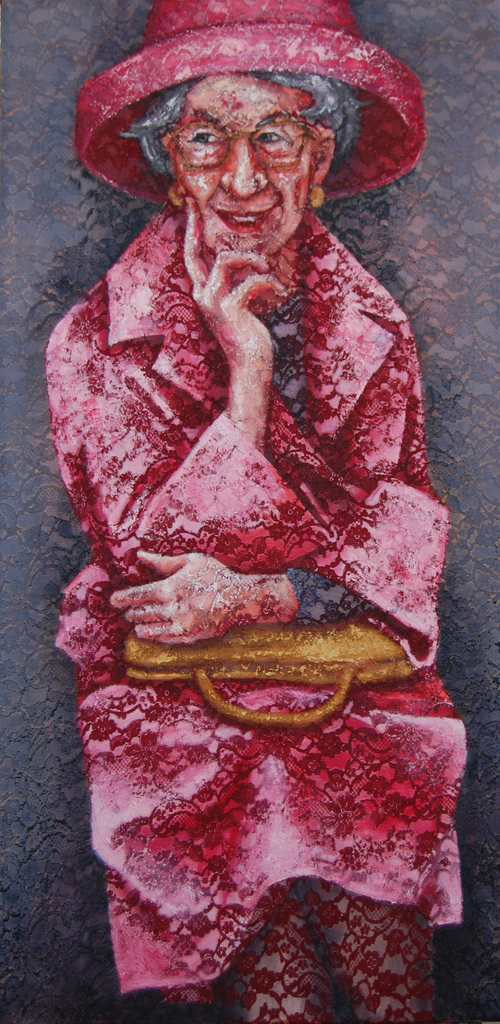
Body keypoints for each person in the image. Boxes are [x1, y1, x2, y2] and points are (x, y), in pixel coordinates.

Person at [46, 1, 466, 1021]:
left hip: (358, 698)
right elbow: (156, 561)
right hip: (181, 719)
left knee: (394, 988)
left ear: (317, 157)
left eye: (273, 135)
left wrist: (267, 594)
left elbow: (406, 535)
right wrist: (247, 377)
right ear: (171, 166)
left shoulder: (370, 323)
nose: (241, 179)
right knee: (276, 997)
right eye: (205, 139)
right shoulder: (97, 339)